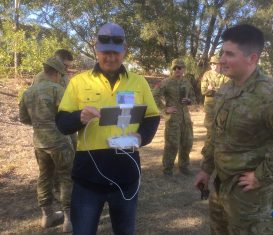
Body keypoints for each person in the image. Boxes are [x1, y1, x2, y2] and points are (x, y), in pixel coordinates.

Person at [194, 24, 273, 235]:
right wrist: (206, 168)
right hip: (221, 187)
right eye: (222, 52)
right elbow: (216, 134)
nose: (221, 60)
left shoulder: (271, 94)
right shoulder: (226, 90)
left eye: (229, 54)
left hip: (252, 199)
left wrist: (261, 175)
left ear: (252, 58)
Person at [55, 22, 160, 235]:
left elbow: (152, 116)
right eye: (105, 53)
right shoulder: (78, 82)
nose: (111, 58)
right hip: (88, 177)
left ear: (125, 51)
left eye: (116, 53)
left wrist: (141, 137)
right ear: (96, 50)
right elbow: (62, 122)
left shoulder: (139, 83)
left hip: (126, 174)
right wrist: (80, 117)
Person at [19, 57, 74, 233]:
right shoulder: (58, 90)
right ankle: (68, 220)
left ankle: (47, 216)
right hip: (59, 142)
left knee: (44, 177)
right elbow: (67, 116)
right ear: (57, 73)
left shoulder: (28, 93)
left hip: (40, 143)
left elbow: (24, 119)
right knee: (66, 177)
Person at [153, 59, 196, 176]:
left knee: (187, 143)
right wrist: (165, 109)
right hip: (173, 119)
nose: (177, 70)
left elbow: (193, 97)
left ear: (184, 69)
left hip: (186, 118)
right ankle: (167, 169)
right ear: (172, 69)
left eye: (180, 68)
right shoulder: (166, 82)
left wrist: (189, 101)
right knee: (172, 144)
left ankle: (184, 166)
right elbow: (154, 95)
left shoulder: (187, 82)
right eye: (175, 68)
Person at [200, 55, 229, 129]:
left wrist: (213, 89)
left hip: (222, 105)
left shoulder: (225, 74)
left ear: (219, 64)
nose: (212, 65)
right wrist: (217, 90)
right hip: (210, 105)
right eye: (211, 63)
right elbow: (203, 91)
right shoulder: (207, 74)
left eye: (214, 63)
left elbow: (229, 89)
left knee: (222, 127)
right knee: (210, 128)